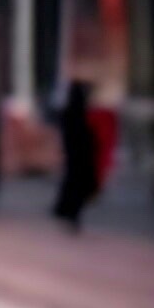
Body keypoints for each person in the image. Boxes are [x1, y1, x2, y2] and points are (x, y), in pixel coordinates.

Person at [52, 79, 101, 229]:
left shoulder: (70, 115)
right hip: (80, 159)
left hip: (75, 159)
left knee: (73, 184)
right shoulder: (79, 116)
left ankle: (69, 212)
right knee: (76, 186)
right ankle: (71, 213)